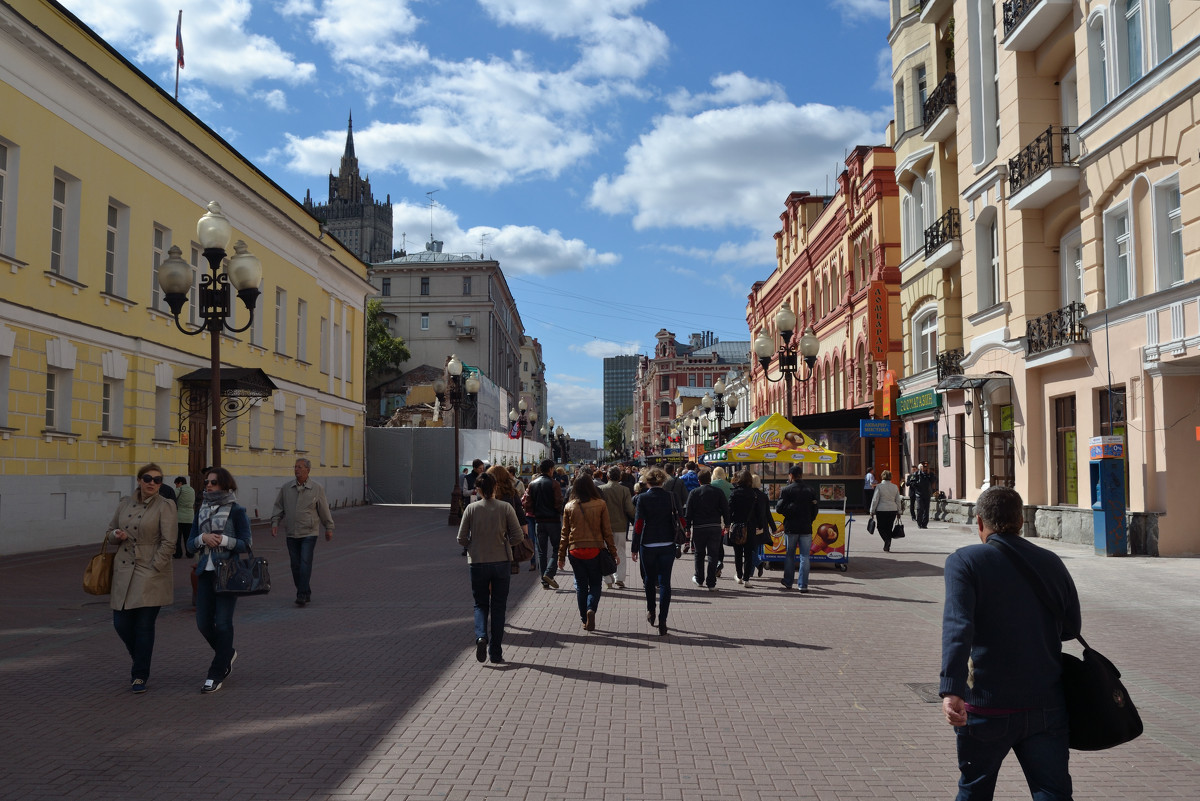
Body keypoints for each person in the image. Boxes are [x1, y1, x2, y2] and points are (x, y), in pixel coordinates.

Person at [940, 486, 1080, 801]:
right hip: (1046, 702)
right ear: (1020, 521)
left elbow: (958, 627)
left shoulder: (965, 561)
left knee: (974, 790)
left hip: (986, 704)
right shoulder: (1050, 561)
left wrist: (952, 689)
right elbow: (1072, 628)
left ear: (979, 522)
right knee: (1051, 791)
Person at [106, 463, 177, 693]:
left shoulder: (165, 506)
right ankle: (140, 658)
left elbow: (169, 542)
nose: (152, 483)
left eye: (158, 480)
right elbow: (109, 532)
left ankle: (139, 675)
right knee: (121, 623)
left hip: (150, 571)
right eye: (148, 478)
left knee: (144, 625)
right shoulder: (125, 502)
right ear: (139, 480)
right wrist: (116, 535)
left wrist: (156, 565)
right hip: (124, 569)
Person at [189, 466, 252, 694]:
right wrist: (202, 538)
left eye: (213, 482)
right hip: (205, 573)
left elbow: (246, 543)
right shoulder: (202, 510)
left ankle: (216, 672)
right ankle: (227, 654)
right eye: (206, 482)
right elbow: (189, 543)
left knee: (223, 623)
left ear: (225, 485)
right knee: (203, 623)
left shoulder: (236, 510)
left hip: (228, 572)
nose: (208, 485)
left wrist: (224, 540)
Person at [457, 472, 524, 664]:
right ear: (495, 488)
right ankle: (495, 652)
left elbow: (461, 538)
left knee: (480, 603)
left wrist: (473, 545)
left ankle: (481, 637)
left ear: (477, 489)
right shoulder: (505, 507)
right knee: (499, 606)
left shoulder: (471, 509)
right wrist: (505, 544)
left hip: (477, 561)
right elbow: (518, 536)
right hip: (501, 561)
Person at [270, 458, 335, 606]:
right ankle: (305, 590)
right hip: (291, 533)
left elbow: (323, 509)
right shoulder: (287, 488)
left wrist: (329, 528)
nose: (296, 469)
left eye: (300, 467)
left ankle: (301, 594)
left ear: (308, 470)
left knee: (305, 563)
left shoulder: (317, 488)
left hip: (309, 532)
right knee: (295, 565)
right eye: (295, 467)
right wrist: (275, 522)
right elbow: (279, 507)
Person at [558, 474, 618, 632]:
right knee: (596, 584)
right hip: (595, 550)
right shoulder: (600, 504)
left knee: (581, 586)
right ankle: (591, 608)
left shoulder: (569, 506)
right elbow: (607, 531)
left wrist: (560, 556)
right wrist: (613, 552)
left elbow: (564, 533)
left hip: (575, 550)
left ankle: (584, 618)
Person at [631, 467, 676, 636]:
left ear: (647, 481)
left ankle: (651, 609)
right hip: (667, 543)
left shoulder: (642, 498)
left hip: (648, 544)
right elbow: (679, 519)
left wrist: (635, 547)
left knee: (649, 580)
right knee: (665, 582)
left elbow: (638, 524)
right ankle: (663, 620)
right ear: (662, 480)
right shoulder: (671, 497)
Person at [522, 459, 565, 590]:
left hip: (538, 521)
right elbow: (558, 503)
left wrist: (535, 510)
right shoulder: (554, 484)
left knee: (541, 551)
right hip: (553, 521)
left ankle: (544, 581)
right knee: (557, 548)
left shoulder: (532, 484)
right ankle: (549, 573)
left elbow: (526, 503)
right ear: (551, 469)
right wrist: (558, 511)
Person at [774, 464, 817, 593]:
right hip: (806, 527)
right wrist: (810, 520)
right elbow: (815, 510)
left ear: (791, 476)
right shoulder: (810, 490)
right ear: (801, 475)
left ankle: (788, 582)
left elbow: (779, 508)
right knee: (805, 556)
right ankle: (803, 585)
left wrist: (789, 511)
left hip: (791, 527)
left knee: (790, 555)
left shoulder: (787, 490)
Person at [685, 469, 729, 590]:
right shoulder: (718, 492)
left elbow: (688, 512)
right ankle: (711, 583)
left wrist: (687, 527)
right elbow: (725, 509)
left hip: (699, 527)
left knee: (699, 554)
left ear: (699, 481)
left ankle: (699, 579)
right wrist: (727, 525)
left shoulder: (694, 493)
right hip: (715, 527)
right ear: (710, 479)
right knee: (713, 555)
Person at [597, 466, 636, 589]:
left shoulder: (600, 489)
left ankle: (608, 578)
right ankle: (620, 578)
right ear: (619, 477)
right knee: (620, 552)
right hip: (620, 526)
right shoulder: (624, 490)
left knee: (604, 553)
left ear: (607, 476)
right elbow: (629, 509)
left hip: (603, 527)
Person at [487, 464, 528, 575]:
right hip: (508, 535)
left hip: (488, 534)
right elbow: (520, 515)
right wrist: (525, 532)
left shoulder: (486, 494)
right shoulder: (512, 493)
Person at [727, 470, 759, 586]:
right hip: (750, 526)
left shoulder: (734, 493)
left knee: (738, 553)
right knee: (749, 553)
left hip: (737, 525)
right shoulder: (753, 494)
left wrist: (728, 523)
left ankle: (739, 575)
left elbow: (729, 510)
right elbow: (757, 512)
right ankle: (747, 579)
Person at [869, 469, 902, 552]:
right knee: (889, 528)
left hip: (881, 509)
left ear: (882, 477)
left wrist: (872, 510)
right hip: (893, 509)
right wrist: (899, 511)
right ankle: (887, 545)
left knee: (880, 527)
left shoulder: (879, 486)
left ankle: (886, 541)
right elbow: (898, 499)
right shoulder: (895, 487)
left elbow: (875, 499)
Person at [751, 473, 776, 578]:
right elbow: (768, 513)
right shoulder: (764, 496)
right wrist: (773, 527)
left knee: (749, 549)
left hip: (751, 525)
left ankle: (758, 564)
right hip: (761, 527)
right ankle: (750, 572)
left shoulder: (749, 495)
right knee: (755, 549)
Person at [173, 476, 195, 559]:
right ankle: (190, 553)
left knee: (178, 538)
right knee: (188, 536)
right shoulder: (192, 490)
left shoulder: (180, 489)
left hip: (179, 517)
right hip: (190, 516)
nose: (176, 486)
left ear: (180, 483)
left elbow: (172, 497)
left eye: (176, 484)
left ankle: (178, 554)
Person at [910, 461, 936, 529]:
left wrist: (929, 474)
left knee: (926, 510)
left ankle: (924, 524)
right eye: (924, 466)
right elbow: (911, 482)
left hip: (927, 494)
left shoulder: (930, 474)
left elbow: (933, 481)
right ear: (920, 467)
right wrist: (918, 483)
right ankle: (919, 523)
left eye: (926, 466)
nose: (925, 468)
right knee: (920, 508)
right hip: (919, 494)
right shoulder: (916, 474)